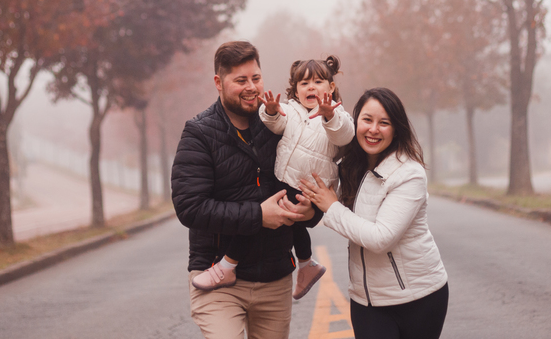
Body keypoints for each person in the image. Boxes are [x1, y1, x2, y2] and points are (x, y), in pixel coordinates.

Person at [171, 40, 319, 339]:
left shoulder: (281, 123)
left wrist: (311, 211)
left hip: (275, 278)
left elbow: (309, 175)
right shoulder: (199, 133)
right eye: (240, 80)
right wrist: (258, 215)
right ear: (219, 82)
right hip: (216, 277)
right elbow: (190, 207)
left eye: (256, 78)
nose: (251, 87)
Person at [192, 55, 355, 300]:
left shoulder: (337, 114)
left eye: (318, 82)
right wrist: (270, 112)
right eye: (304, 83)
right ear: (296, 91)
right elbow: (276, 125)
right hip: (285, 177)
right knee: (286, 221)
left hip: (310, 185)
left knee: (259, 219)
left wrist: (329, 117)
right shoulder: (291, 110)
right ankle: (306, 264)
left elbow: (344, 136)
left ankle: (227, 265)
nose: (311, 87)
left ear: (330, 87)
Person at [298, 87, 449, 339]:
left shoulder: (409, 174)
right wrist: (308, 209)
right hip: (366, 301)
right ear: (356, 122)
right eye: (367, 120)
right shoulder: (350, 166)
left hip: (419, 298)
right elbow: (332, 207)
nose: (373, 129)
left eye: (384, 123)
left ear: (396, 129)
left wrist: (331, 207)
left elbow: (380, 238)